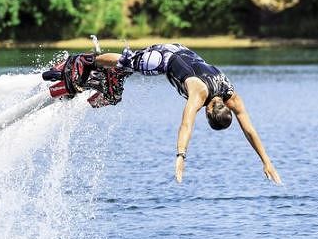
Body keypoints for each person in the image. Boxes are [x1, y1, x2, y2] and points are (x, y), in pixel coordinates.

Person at [95, 43, 282, 185]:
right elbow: (186, 124)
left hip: (184, 50)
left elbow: (249, 130)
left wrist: (267, 162)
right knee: (127, 62)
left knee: (124, 69)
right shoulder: (199, 94)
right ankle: (89, 61)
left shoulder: (230, 96)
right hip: (165, 57)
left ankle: (105, 75)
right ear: (209, 112)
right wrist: (180, 156)